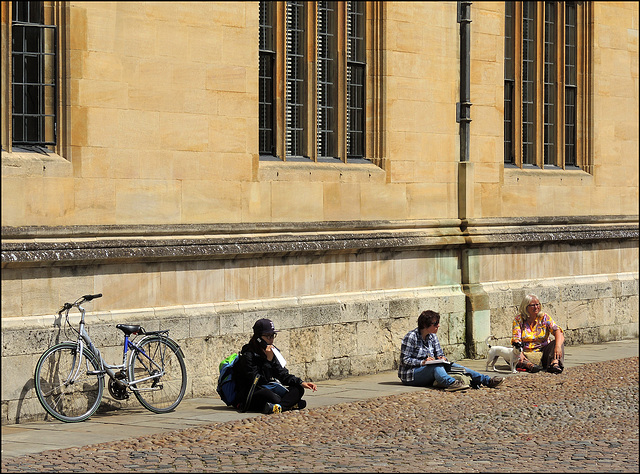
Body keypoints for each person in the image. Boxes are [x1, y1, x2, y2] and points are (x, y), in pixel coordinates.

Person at [398, 310, 504, 391]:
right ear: (425, 325)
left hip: (430, 367)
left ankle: (487, 380)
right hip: (411, 375)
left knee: (453, 366)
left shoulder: (433, 337)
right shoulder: (411, 337)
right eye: (435, 324)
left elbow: (440, 354)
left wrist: (442, 358)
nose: (438, 325)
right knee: (435, 366)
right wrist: (423, 362)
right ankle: (451, 383)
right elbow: (404, 360)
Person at [234, 318, 317, 414]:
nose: (271, 340)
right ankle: (289, 404)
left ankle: (278, 407)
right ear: (258, 338)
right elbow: (257, 380)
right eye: (267, 336)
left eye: (273, 336)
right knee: (271, 396)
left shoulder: (273, 352)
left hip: (269, 387)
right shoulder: (248, 355)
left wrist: (301, 382)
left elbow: (282, 374)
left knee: (298, 389)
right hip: (251, 392)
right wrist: (268, 360)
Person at [511, 294, 565, 374]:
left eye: (538, 304)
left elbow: (557, 331)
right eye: (533, 305)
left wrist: (557, 346)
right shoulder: (519, 320)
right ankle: (529, 365)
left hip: (543, 351)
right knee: (510, 353)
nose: (536, 307)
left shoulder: (544, 317)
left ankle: (555, 363)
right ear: (526, 307)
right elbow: (516, 339)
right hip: (526, 352)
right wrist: (520, 353)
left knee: (558, 342)